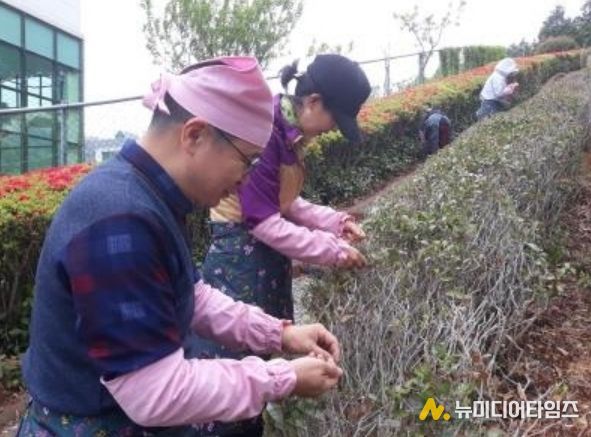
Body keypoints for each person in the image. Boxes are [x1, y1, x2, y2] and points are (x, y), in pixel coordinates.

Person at [16, 56, 344, 436]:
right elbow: (155, 392)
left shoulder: (148, 195)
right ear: (194, 135)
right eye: (247, 161)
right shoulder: (120, 221)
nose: (245, 180)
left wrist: (280, 334)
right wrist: (282, 377)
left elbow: (192, 294)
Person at [191, 54, 370, 435]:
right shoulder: (265, 132)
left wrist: (336, 222)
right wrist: (333, 251)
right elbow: (263, 221)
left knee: (263, 352)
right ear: (314, 102)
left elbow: (285, 202)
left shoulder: (290, 134)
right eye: (335, 119)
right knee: (235, 361)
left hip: (264, 260)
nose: (333, 129)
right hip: (239, 261)